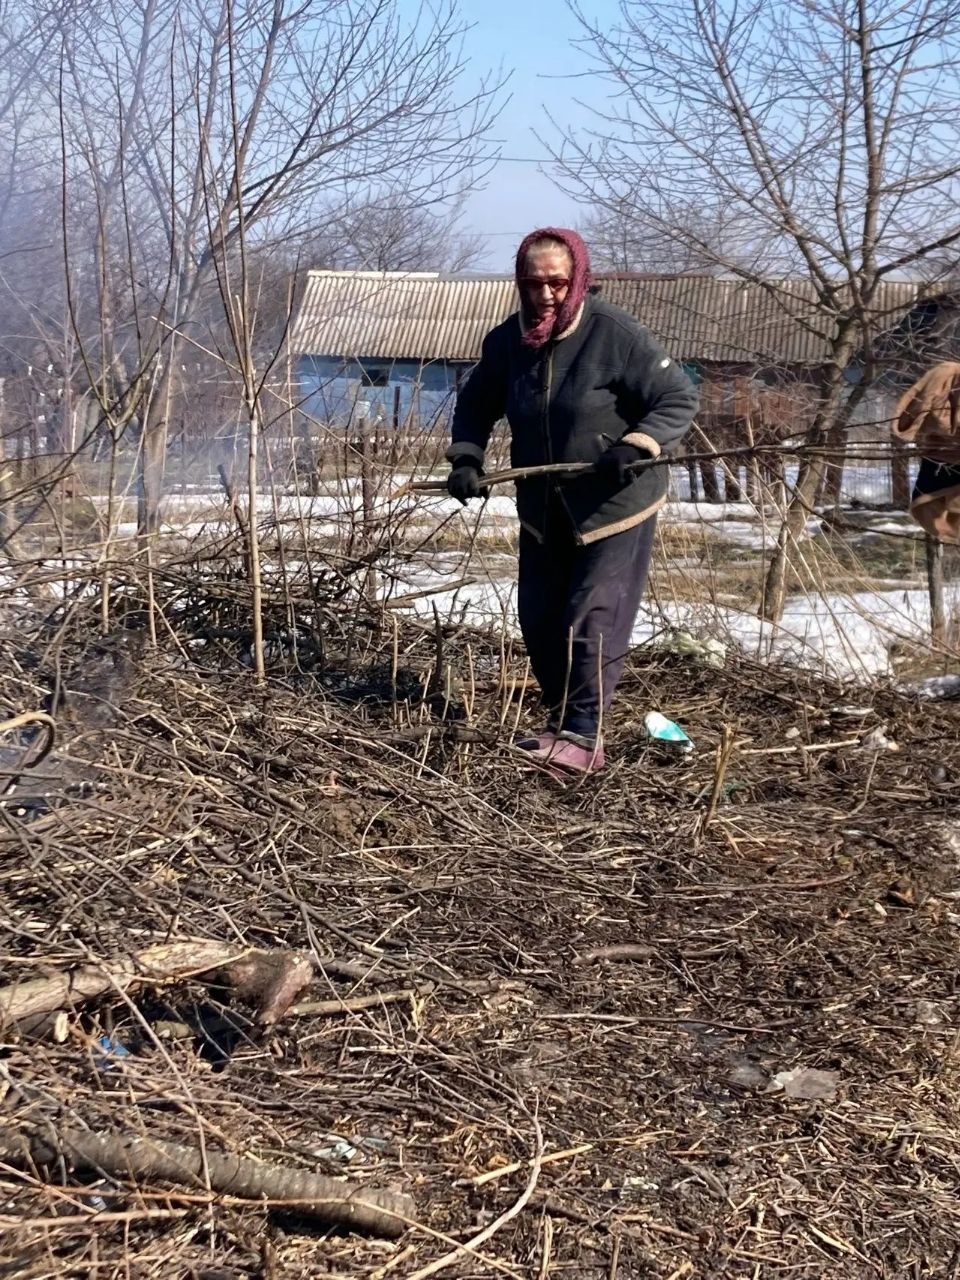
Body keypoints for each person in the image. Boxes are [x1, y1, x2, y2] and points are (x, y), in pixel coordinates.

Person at [445, 227, 698, 773]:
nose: (545, 295)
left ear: (577, 278)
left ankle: (584, 736)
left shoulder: (615, 334)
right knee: (539, 616)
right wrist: (466, 458)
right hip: (543, 505)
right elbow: (476, 404)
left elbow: (677, 396)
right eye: (534, 283)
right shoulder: (507, 341)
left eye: (557, 283)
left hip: (614, 502)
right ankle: (560, 720)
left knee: (592, 615)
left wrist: (636, 445)